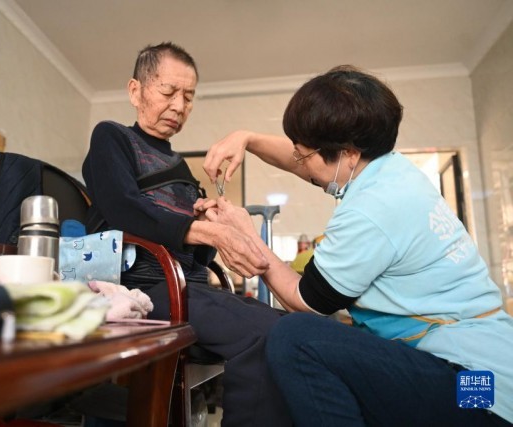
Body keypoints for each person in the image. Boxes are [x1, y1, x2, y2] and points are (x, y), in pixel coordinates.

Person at [200, 65, 513, 426]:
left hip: (478, 393)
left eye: (304, 155)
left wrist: (247, 236)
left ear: (347, 152)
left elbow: (306, 302)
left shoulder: (371, 208)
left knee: (295, 337)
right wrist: (248, 138)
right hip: (494, 373)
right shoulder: (391, 172)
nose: (301, 165)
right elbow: (309, 162)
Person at [82, 42, 291, 427]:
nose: (179, 106)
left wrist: (211, 221)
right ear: (135, 91)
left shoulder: (180, 167)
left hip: (189, 288)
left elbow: (196, 256)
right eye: (168, 91)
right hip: (144, 289)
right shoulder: (111, 137)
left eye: (189, 97)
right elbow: (123, 208)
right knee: (262, 337)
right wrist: (204, 231)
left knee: (291, 330)